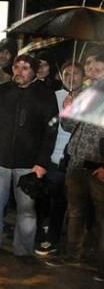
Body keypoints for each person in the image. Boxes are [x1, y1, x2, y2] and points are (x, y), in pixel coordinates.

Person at [0, 55, 58, 257]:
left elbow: (50, 132)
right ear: (12, 68)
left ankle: (24, 252)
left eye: (26, 67)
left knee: (27, 210)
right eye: (17, 67)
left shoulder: (46, 96)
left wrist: (41, 162)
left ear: (35, 71)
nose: (20, 71)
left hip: (29, 164)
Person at [57, 78, 104, 281]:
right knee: (75, 212)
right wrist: (67, 109)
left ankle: (101, 266)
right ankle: (72, 255)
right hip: (76, 164)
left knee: (102, 219)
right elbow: (68, 126)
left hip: (98, 167)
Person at [36, 61, 84, 257]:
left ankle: (53, 238)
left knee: (61, 202)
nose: (71, 77)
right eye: (66, 73)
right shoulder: (53, 96)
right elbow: (46, 123)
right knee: (43, 198)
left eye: (75, 74)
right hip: (50, 156)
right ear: (60, 76)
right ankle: (40, 233)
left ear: (83, 77)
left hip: (71, 158)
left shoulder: (89, 99)